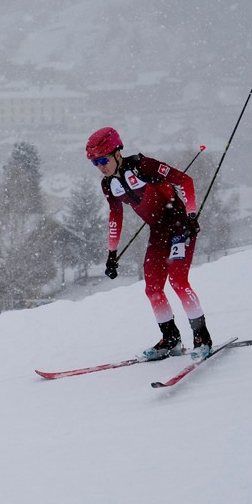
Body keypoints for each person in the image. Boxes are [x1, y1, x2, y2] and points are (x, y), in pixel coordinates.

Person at [86, 127, 213, 360]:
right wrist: (111, 254)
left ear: (117, 153)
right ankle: (171, 339)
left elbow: (185, 180)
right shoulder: (108, 185)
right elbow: (116, 216)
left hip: (179, 226)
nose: (100, 166)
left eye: (103, 159)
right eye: (95, 163)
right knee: (152, 287)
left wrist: (192, 212)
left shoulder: (144, 166)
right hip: (158, 232)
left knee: (177, 280)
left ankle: (202, 338)